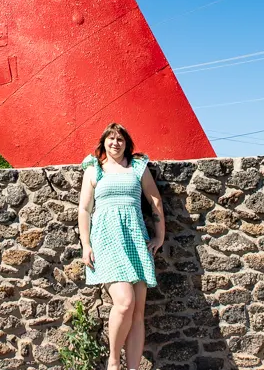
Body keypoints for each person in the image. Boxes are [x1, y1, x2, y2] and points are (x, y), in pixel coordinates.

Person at [78, 123, 166, 370]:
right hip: (107, 241)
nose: (115, 143)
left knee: (137, 312)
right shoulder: (94, 169)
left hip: (136, 241)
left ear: (126, 144)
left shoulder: (138, 167)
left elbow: (155, 200)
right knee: (125, 302)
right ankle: (114, 362)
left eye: (120, 139)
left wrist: (160, 236)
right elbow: (84, 209)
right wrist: (86, 244)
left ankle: (133, 368)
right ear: (103, 142)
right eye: (111, 138)